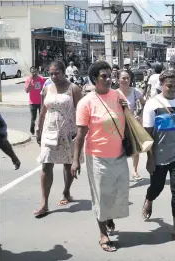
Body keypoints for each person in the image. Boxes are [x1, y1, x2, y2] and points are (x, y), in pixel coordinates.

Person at [72, 61, 130, 252]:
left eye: (109, 75)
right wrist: (75, 160)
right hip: (97, 156)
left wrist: (126, 108)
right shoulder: (86, 102)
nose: (108, 79)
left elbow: (128, 120)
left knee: (117, 192)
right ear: (94, 79)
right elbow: (80, 134)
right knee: (100, 196)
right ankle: (103, 235)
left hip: (120, 154)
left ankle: (108, 216)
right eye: (103, 76)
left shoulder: (118, 95)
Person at [141, 69, 175, 243]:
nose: (173, 89)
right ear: (161, 85)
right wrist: (150, 159)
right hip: (159, 153)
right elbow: (147, 136)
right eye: (169, 86)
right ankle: (149, 198)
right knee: (157, 186)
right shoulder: (152, 104)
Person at [35, 61, 82, 216]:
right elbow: (43, 111)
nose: (54, 76)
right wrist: (38, 129)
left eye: (57, 73)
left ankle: (66, 192)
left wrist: (80, 133)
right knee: (46, 165)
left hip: (68, 132)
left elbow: (81, 112)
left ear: (63, 72)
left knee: (68, 164)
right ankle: (44, 203)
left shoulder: (73, 89)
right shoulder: (47, 88)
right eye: (51, 73)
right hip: (49, 131)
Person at [116, 70, 146, 181]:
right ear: (118, 79)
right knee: (119, 149)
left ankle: (134, 170)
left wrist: (139, 116)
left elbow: (144, 104)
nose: (125, 80)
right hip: (119, 125)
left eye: (127, 78)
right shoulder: (115, 93)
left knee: (135, 148)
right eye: (123, 78)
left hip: (132, 124)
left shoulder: (135, 91)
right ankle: (120, 172)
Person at [25, 66, 46, 134]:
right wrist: (31, 81)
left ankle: (41, 130)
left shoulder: (42, 79)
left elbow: (45, 89)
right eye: (32, 72)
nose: (34, 73)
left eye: (35, 72)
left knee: (42, 117)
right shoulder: (29, 80)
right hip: (32, 102)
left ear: (37, 71)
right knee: (33, 118)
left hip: (41, 102)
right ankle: (32, 127)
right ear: (31, 72)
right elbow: (27, 91)